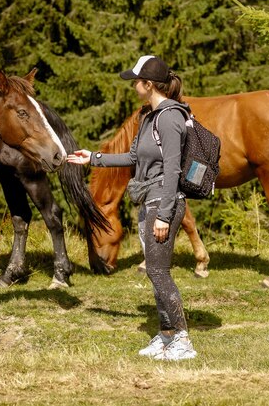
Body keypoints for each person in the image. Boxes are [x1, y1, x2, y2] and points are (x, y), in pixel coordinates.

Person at [67, 55, 197, 361]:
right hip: (147, 201)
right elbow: (134, 158)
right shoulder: (148, 116)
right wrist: (94, 158)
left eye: (135, 81)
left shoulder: (170, 117)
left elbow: (173, 170)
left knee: (158, 271)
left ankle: (182, 340)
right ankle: (165, 336)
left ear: (148, 84)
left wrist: (164, 215)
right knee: (154, 272)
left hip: (163, 204)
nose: (133, 85)